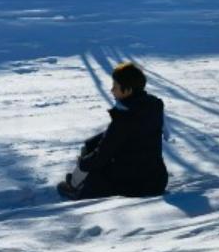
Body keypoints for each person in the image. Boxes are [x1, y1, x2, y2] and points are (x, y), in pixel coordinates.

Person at [57, 62, 168, 200]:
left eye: (115, 87)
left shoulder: (124, 117)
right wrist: (91, 144)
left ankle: (74, 188)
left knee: (93, 164)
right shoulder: (152, 106)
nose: (112, 90)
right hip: (157, 180)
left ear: (127, 90)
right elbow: (128, 136)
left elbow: (101, 156)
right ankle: (77, 179)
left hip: (135, 185)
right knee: (92, 145)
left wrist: (82, 163)